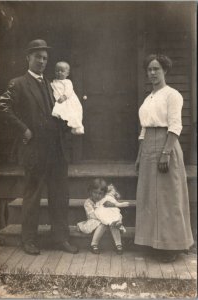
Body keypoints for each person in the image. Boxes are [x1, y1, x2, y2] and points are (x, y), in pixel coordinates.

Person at [0, 39, 78, 255]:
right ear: (28, 58)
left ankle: (60, 238)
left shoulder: (51, 84)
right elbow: (0, 107)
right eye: (37, 57)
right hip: (34, 149)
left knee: (60, 194)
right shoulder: (18, 83)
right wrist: (23, 129)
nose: (41, 61)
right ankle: (28, 240)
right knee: (32, 196)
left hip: (56, 149)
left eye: (44, 58)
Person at [134, 54, 194, 263]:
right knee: (150, 196)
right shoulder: (148, 97)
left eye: (156, 69)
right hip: (148, 145)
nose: (152, 73)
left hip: (166, 143)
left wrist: (166, 153)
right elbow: (144, 129)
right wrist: (140, 154)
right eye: (149, 69)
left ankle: (171, 247)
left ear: (165, 71)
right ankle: (153, 243)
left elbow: (175, 125)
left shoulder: (172, 95)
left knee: (167, 197)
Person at [77, 178, 128, 255]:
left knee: (113, 222)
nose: (97, 195)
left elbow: (114, 196)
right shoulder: (88, 202)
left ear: (104, 194)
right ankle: (94, 244)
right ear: (90, 191)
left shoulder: (104, 199)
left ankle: (118, 244)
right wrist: (105, 218)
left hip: (106, 218)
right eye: (95, 192)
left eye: (100, 193)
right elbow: (92, 215)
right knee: (104, 223)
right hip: (95, 220)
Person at [51, 61, 84, 135]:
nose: (59, 73)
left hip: (68, 100)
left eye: (62, 71)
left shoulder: (67, 82)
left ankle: (75, 127)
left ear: (67, 73)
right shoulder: (54, 81)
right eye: (57, 71)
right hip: (59, 100)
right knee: (60, 111)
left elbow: (69, 90)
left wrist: (64, 96)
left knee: (72, 112)